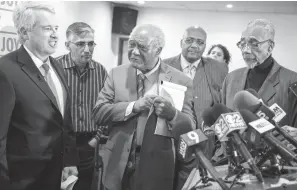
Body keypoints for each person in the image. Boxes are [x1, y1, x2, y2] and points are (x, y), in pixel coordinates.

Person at [93, 24, 196, 190]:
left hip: (157, 167)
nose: (134, 51)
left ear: (158, 50)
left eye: (141, 47)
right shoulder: (116, 74)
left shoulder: (180, 80)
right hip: (116, 163)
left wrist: (173, 115)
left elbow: (190, 128)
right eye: (131, 44)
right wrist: (133, 106)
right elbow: (98, 113)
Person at [0, 2, 78, 190]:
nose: (55, 35)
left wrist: (69, 160)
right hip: (21, 181)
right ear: (25, 32)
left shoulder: (57, 67)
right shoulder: (5, 70)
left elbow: (64, 122)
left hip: (55, 177)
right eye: (47, 28)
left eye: (56, 28)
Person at [163, 26, 228, 190]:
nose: (194, 45)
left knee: (197, 184)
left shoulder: (218, 68)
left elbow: (221, 103)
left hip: (202, 142)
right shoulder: (164, 65)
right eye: (189, 40)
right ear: (181, 42)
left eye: (199, 42)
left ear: (205, 46)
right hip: (168, 138)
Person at [56, 22, 108, 190]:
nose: (87, 49)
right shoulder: (54, 68)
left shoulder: (100, 71)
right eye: (80, 44)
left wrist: (95, 140)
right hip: (59, 144)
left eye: (91, 43)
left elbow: (107, 108)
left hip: (89, 142)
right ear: (67, 45)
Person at [221, 18, 297, 127]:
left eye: (254, 43)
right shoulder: (231, 78)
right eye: (242, 44)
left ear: (270, 47)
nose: (246, 50)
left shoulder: (292, 81)